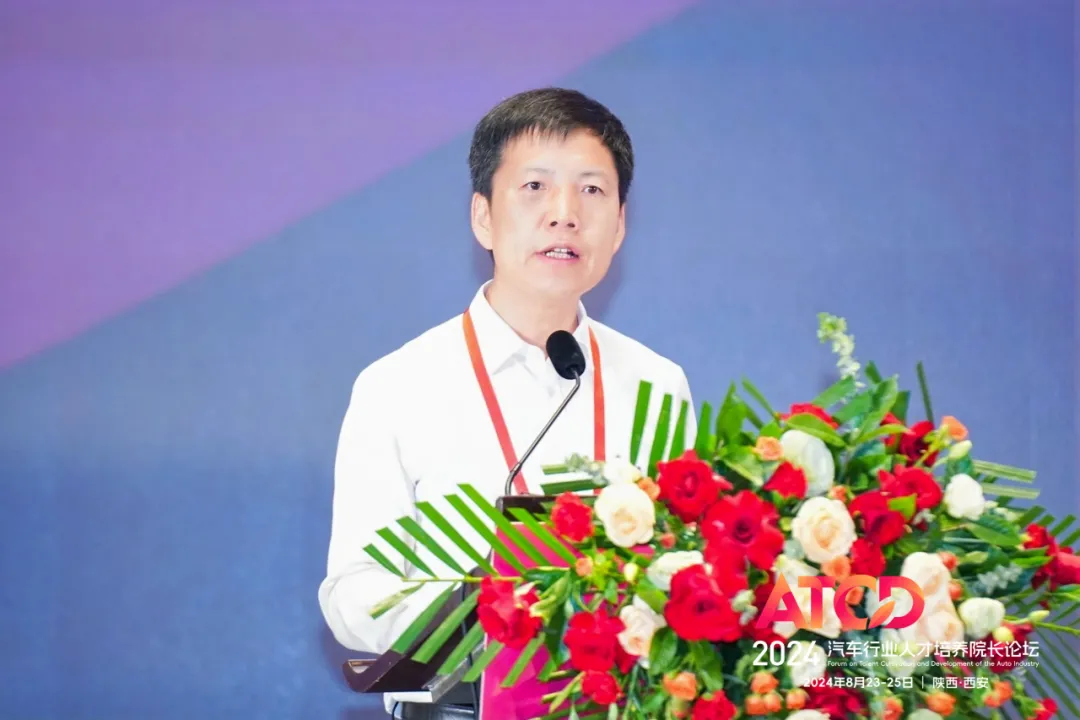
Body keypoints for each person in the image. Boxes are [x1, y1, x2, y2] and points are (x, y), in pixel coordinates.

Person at [318, 87, 696, 718]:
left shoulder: (657, 384)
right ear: (483, 216)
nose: (564, 214)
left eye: (592, 190)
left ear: (620, 225)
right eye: (535, 187)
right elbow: (352, 593)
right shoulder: (397, 385)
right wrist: (491, 614)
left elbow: (684, 565)